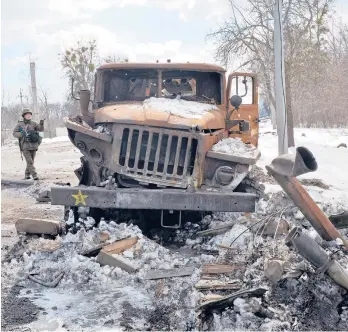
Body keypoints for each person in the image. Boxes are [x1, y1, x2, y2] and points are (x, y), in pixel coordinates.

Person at [13, 108, 44, 180]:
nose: (29, 116)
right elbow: (14, 133)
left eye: (30, 114)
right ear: (24, 116)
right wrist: (21, 134)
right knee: (30, 162)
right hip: (25, 146)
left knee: (31, 162)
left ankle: (27, 174)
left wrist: (41, 123)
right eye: (27, 114)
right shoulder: (20, 124)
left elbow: (41, 129)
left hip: (33, 145)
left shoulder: (33, 123)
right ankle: (34, 175)